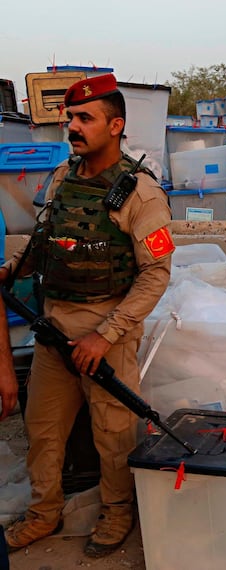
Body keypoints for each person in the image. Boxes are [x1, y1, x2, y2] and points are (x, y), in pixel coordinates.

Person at [0, 74, 174, 558]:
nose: (72, 127)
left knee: (113, 434)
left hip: (106, 336)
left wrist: (106, 335)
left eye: (84, 118)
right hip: (53, 331)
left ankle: (117, 511)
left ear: (115, 125)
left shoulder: (139, 193)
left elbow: (156, 275)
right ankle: (43, 514)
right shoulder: (64, 176)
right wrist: (12, 269)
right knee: (44, 430)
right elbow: (45, 242)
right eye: (70, 118)